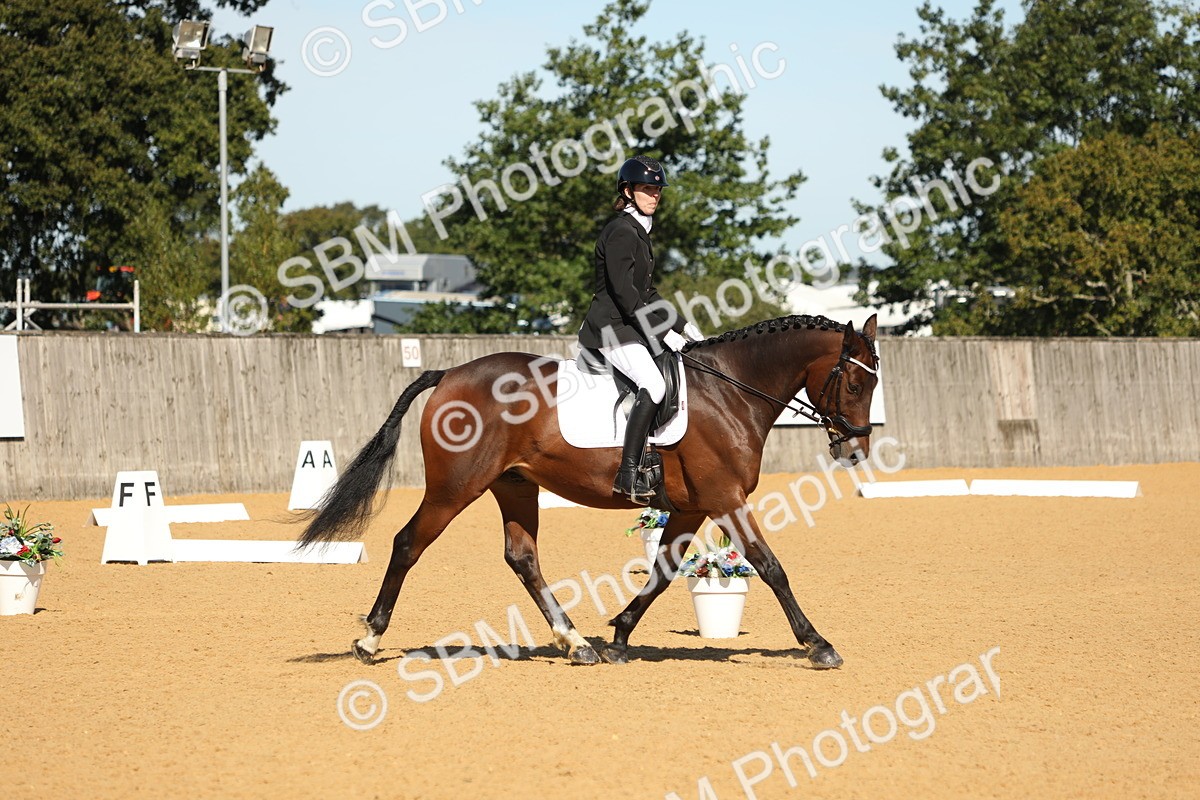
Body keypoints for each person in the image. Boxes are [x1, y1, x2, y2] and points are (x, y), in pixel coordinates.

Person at [578, 155, 704, 504]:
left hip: (628, 327)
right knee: (654, 383)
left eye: (657, 190)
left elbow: (648, 293)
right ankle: (628, 472)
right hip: (610, 329)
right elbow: (625, 293)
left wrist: (685, 325)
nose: (654, 196)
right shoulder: (621, 231)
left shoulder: (639, 232)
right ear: (628, 190)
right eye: (647, 189)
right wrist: (664, 333)